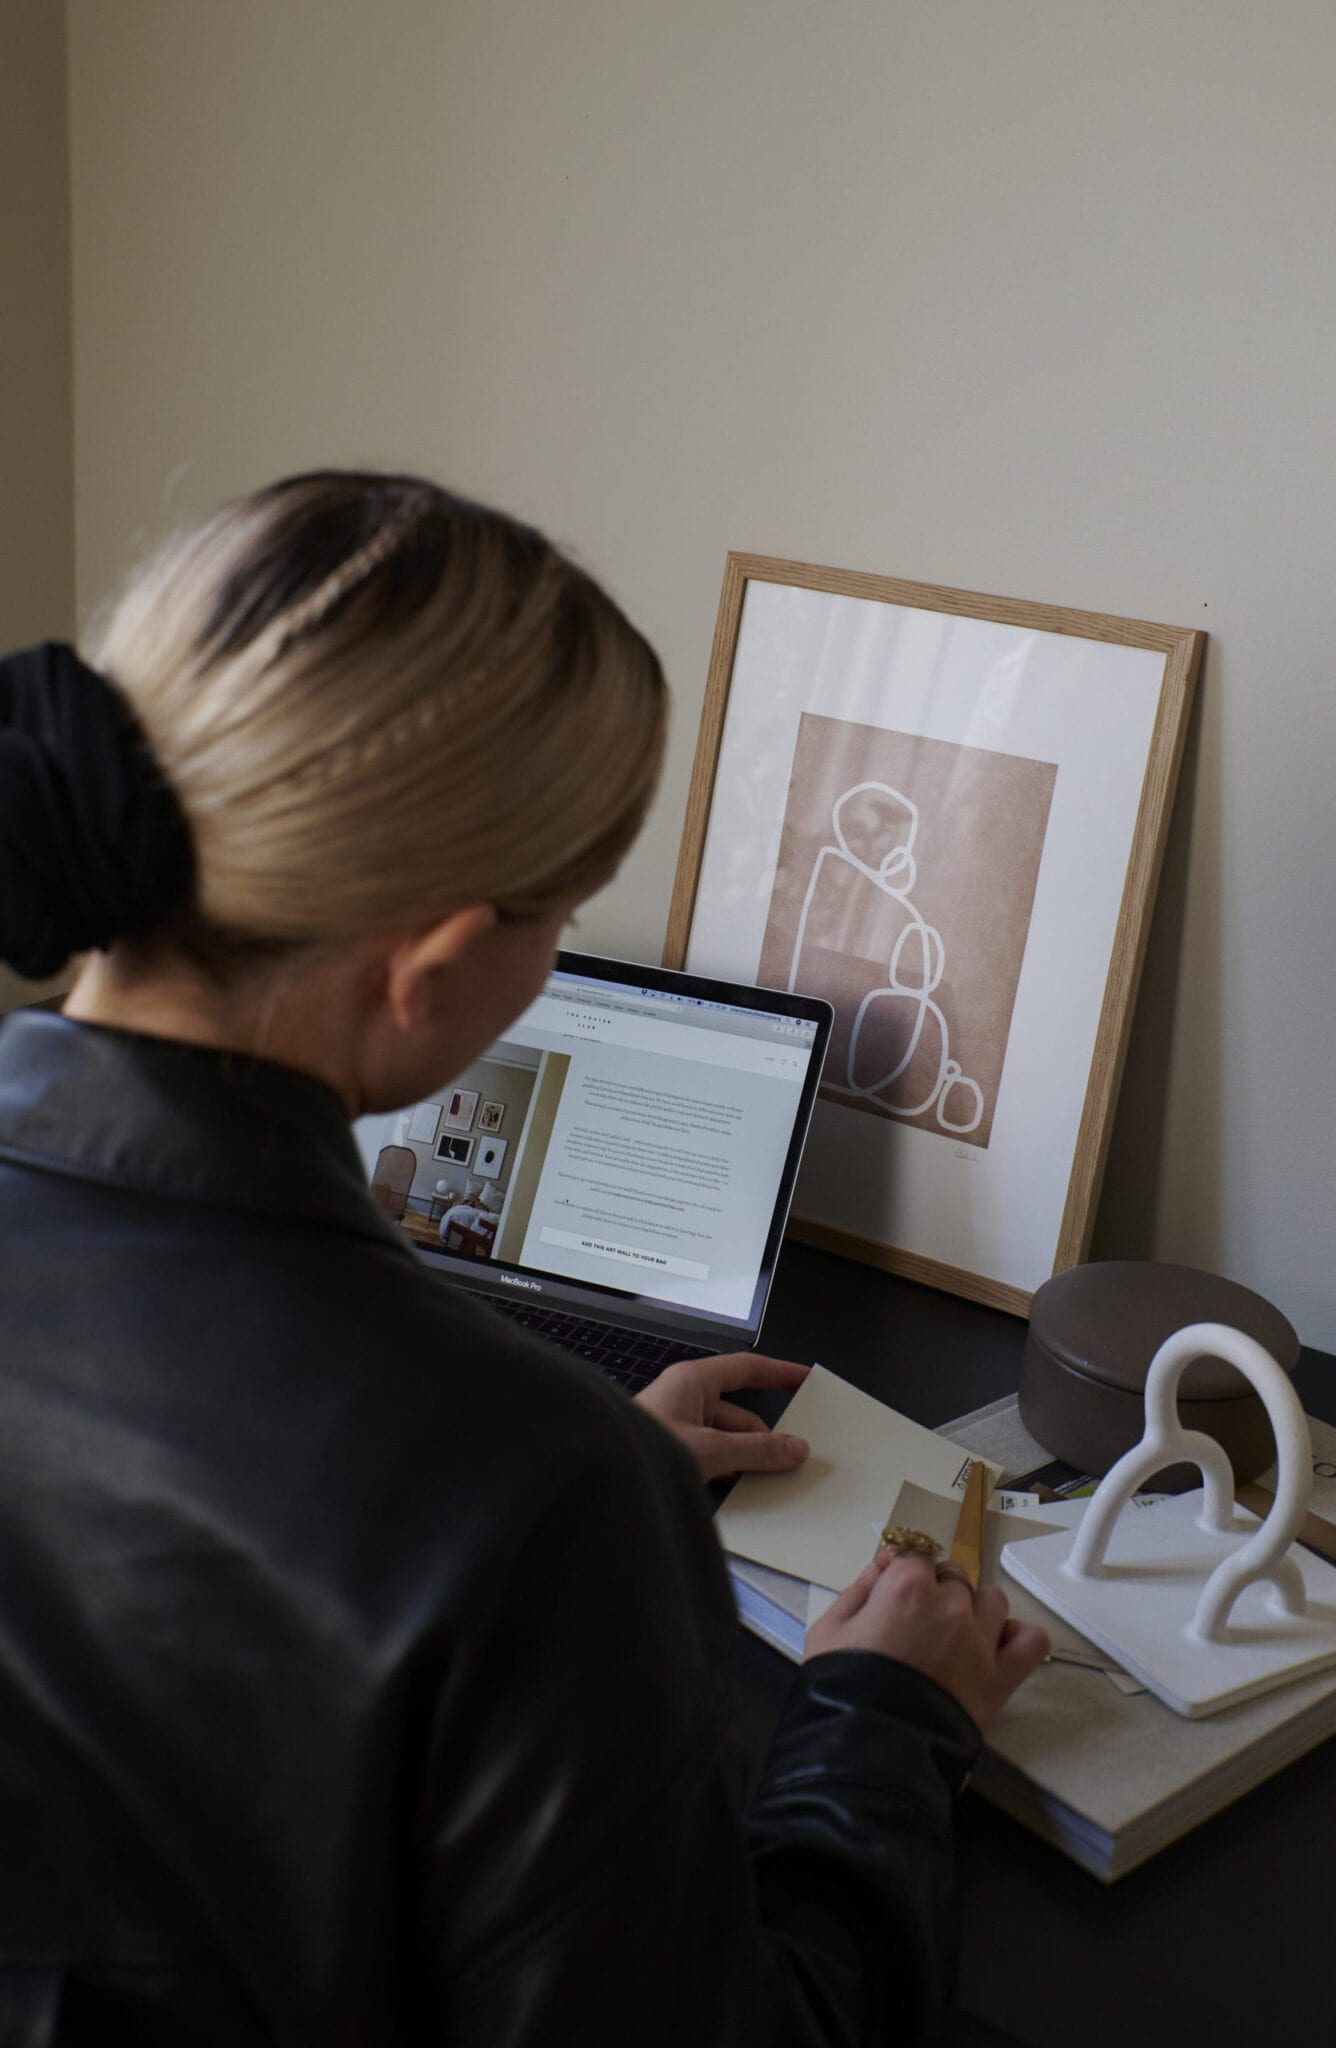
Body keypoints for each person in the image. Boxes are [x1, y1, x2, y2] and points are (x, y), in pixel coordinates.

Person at [0, 471, 1048, 2045]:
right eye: (561, 912)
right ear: (430, 967)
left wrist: (565, 1495)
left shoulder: (539, 1482)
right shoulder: (536, 1490)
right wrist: (885, 1723)